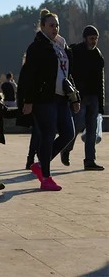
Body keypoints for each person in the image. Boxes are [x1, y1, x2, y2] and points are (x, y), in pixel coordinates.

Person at [20, 9, 80, 191]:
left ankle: (41, 163)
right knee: (48, 134)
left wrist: (75, 98)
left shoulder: (62, 46)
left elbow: (68, 75)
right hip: (43, 98)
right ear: (43, 27)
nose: (55, 29)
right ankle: (46, 176)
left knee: (69, 133)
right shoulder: (37, 47)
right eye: (51, 25)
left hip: (62, 98)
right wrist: (28, 100)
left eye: (57, 25)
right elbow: (29, 75)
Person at [60, 25, 105, 171]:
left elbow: (101, 81)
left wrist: (101, 103)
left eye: (96, 39)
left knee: (91, 130)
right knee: (77, 126)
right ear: (85, 38)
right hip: (79, 97)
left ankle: (90, 160)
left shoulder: (98, 54)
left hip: (93, 98)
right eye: (92, 39)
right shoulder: (76, 52)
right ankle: (66, 149)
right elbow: (67, 72)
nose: (94, 42)